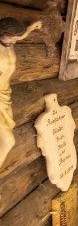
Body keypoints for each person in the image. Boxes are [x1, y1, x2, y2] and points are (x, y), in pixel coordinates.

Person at [0, 18, 42, 166]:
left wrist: (31, 27)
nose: (16, 41)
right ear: (5, 34)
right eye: (13, 37)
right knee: (8, 141)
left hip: (5, 95)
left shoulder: (9, 43)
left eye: (16, 37)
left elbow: (21, 36)